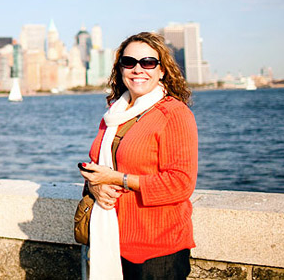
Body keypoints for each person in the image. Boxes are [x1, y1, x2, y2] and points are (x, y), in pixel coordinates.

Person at [79, 32, 198, 280]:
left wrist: (118, 179)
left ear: (162, 70)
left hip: (155, 252)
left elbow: (180, 183)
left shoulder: (173, 113)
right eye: (129, 62)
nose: (137, 69)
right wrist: (95, 185)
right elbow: (101, 169)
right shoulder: (114, 115)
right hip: (110, 242)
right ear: (120, 68)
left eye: (148, 62)